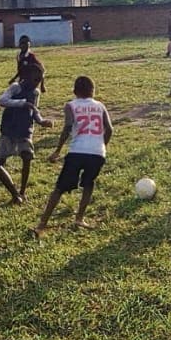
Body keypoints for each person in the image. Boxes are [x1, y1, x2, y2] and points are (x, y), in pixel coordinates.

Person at [35, 76, 114, 236]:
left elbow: (68, 127)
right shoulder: (100, 106)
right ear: (93, 91)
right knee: (89, 184)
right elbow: (110, 129)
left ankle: (42, 224)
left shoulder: (71, 105)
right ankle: (79, 218)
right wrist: (102, 146)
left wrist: (58, 150)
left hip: (77, 151)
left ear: (74, 91)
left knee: (59, 188)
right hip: (97, 153)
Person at [0, 64, 53, 199]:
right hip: (9, 129)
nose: (37, 83)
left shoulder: (35, 93)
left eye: (40, 80)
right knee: (0, 161)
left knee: (27, 157)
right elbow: (1, 101)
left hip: (25, 130)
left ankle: (22, 192)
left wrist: (41, 121)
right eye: (35, 80)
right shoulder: (16, 88)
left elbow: (34, 110)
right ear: (26, 77)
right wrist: (21, 103)